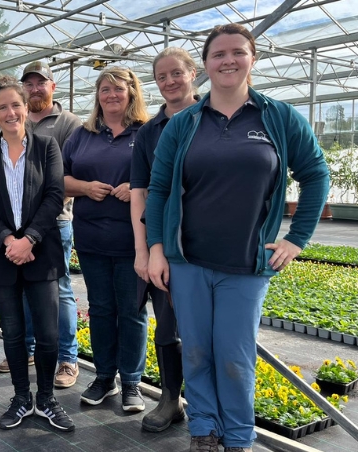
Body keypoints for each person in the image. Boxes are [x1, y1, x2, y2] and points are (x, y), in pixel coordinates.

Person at [146, 24, 329, 452]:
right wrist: (157, 249)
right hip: (188, 260)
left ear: (253, 58)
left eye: (237, 52)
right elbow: (159, 190)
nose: (228, 60)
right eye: (218, 54)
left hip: (246, 263)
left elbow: (316, 173)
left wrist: (296, 238)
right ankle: (204, 430)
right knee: (195, 351)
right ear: (206, 65)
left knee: (234, 356)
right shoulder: (185, 124)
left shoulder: (278, 118)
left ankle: (239, 437)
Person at [0, 75, 74, 432]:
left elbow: (54, 196)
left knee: (47, 333)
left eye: (16, 104)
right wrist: (6, 240)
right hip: (2, 254)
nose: (11, 112)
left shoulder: (47, 147)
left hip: (40, 252)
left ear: (26, 108)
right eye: (3, 107)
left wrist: (28, 239)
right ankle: (20, 398)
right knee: (13, 333)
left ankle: (46, 399)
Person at [63, 67, 149, 412]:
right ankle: (104, 378)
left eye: (118, 89)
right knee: (99, 310)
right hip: (91, 238)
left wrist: (137, 187)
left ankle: (131, 382)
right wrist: (85, 188)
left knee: (132, 311)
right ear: (97, 96)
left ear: (132, 93)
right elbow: (58, 179)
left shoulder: (145, 132)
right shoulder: (82, 135)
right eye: (104, 90)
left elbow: (164, 175)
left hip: (134, 240)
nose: (111, 95)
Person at [130, 48, 198, 432]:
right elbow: (139, 193)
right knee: (167, 324)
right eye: (162, 76)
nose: (170, 81)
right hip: (163, 243)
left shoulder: (210, 120)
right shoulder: (148, 133)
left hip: (207, 242)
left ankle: (209, 406)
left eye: (177, 73)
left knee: (206, 329)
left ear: (193, 73)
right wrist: (143, 250)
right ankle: (171, 398)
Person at [13, 61, 82, 389]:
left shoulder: (69, 124)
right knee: (24, 285)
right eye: (29, 83)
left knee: (61, 289)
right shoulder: (17, 121)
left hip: (55, 221)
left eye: (41, 83)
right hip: (19, 224)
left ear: (52, 87)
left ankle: (68, 359)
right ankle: (28, 349)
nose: (35, 88)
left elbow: (67, 177)